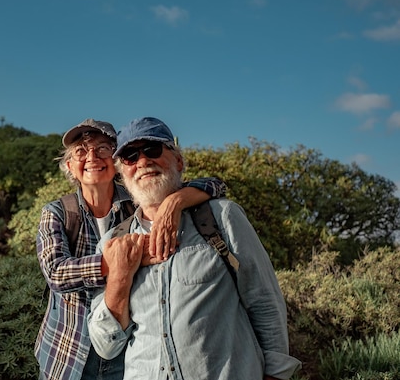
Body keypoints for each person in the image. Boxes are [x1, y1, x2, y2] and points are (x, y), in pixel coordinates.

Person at [87, 117, 302, 380]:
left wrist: (276, 375)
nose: (143, 161)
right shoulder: (112, 242)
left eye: (153, 149)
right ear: (122, 174)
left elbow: (264, 301)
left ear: (178, 160)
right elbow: (106, 347)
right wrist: (120, 277)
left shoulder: (222, 217)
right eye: (130, 156)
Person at [35, 118, 227, 380]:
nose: (92, 157)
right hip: (70, 351)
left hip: (127, 349)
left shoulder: (138, 200)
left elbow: (217, 185)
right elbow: (56, 273)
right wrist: (118, 262)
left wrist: (175, 202)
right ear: (69, 166)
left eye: (103, 149)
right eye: (80, 151)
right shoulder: (57, 213)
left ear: (117, 161)